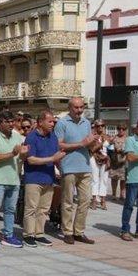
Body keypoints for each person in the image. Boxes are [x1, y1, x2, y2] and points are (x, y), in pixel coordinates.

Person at [55, 97, 99, 244]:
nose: (80, 110)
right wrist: (82, 143)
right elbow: (59, 145)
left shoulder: (86, 123)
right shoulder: (62, 123)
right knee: (68, 201)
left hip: (85, 166)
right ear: (70, 108)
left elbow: (88, 145)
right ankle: (67, 231)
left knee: (85, 200)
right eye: (76, 107)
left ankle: (78, 232)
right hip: (69, 167)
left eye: (81, 107)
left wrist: (94, 144)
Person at [0, 111, 28, 249]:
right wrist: (12, 153)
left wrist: (24, 154)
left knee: (10, 210)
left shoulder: (17, 137)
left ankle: (8, 235)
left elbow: (20, 158)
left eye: (12, 121)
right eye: (8, 122)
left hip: (14, 179)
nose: (11, 124)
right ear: (0, 123)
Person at [23, 111, 65, 247]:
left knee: (44, 209)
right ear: (41, 122)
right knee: (31, 208)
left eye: (53, 122)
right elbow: (31, 159)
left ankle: (39, 233)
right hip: (33, 178)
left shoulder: (53, 137)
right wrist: (52, 159)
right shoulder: (31, 137)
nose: (53, 124)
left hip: (49, 178)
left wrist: (61, 168)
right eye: (50, 121)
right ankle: (28, 235)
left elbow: (56, 156)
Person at [120, 117, 138, 241]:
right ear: (137, 128)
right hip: (134, 178)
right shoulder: (130, 140)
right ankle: (125, 230)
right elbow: (130, 158)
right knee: (129, 205)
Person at [90, 120, 111, 210]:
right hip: (94, 157)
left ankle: (103, 200)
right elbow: (92, 149)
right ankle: (94, 200)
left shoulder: (108, 137)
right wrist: (102, 143)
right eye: (98, 126)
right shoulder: (92, 137)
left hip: (105, 159)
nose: (100, 127)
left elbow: (111, 150)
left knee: (104, 179)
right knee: (95, 179)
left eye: (102, 125)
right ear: (95, 127)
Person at [110, 125, 129, 202]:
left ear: (125, 130)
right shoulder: (113, 138)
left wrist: (122, 150)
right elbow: (109, 147)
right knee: (114, 179)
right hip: (115, 161)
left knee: (123, 179)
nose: (121, 130)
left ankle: (122, 194)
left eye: (123, 129)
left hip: (124, 162)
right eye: (119, 129)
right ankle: (114, 194)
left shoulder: (128, 139)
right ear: (117, 129)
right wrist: (114, 149)